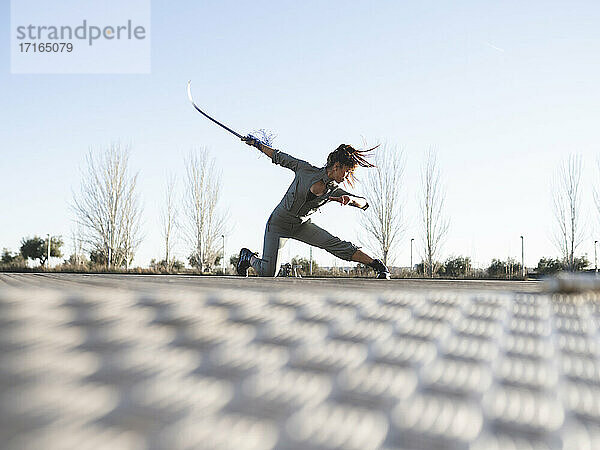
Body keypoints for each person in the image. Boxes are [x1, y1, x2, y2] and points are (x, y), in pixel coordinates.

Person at [236, 136, 391, 279]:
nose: (347, 177)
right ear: (337, 166)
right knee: (268, 273)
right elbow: (278, 156)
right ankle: (247, 257)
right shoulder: (304, 169)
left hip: (301, 225)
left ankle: (377, 266)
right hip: (278, 224)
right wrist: (256, 144)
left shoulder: (334, 190)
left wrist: (351, 199)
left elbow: (364, 203)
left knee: (334, 243)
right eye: (347, 171)